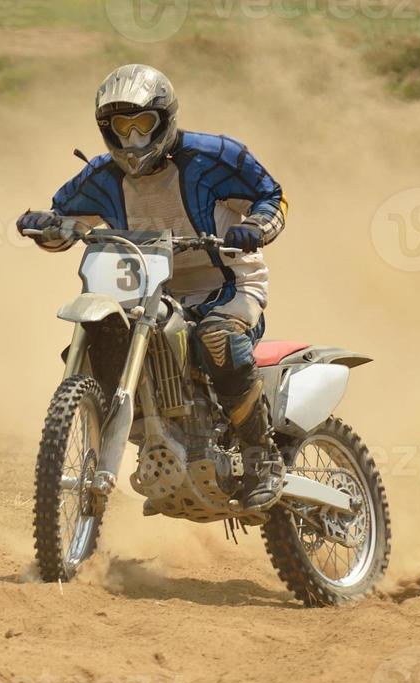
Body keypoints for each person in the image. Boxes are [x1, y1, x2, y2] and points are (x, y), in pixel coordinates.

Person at [17, 64, 289, 509]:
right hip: (149, 292)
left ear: (164, 119)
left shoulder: (215, 156)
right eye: (122, 128)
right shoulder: (101, 176)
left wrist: (256, 226)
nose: (133, 140)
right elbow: (64, 222)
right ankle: (153, 434)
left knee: (217, 338)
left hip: (226, 282)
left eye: (142, 125)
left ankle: (263, 456)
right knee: (102, 338)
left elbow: (271, 196)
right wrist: (44, 226)